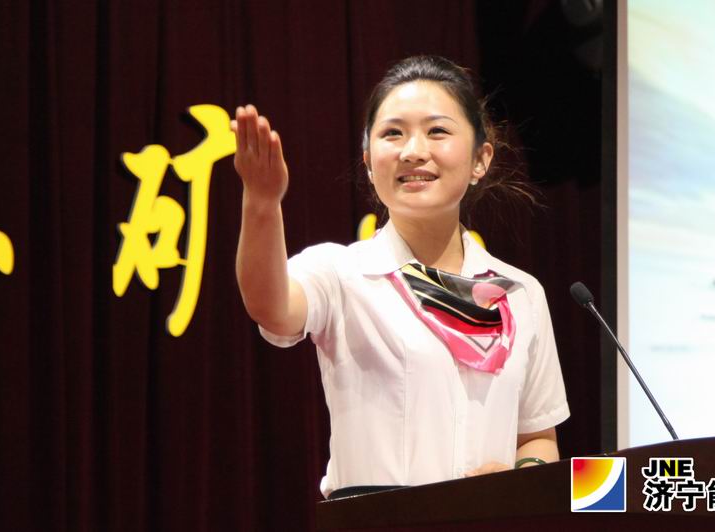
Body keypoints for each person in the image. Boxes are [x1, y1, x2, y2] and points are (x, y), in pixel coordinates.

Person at [232, 55, 569, 499]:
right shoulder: (342, 273)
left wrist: (520, 478)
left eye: (437, 131)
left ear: (480, 159)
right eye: (393, 133)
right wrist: (262, 203)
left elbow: (537, 437)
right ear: (369, 162)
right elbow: (270, 307)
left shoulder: (520, 293)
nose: (413, 151)